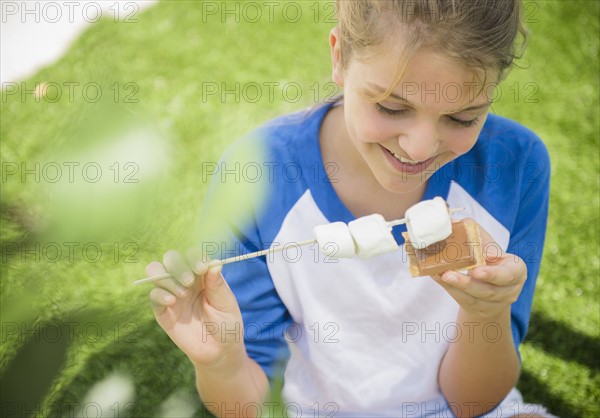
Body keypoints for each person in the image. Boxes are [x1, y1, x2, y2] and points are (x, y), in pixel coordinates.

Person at [146, 1, 557, 417]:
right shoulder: (259, 175)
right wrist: (222, 363)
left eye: (462, 118)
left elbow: (473, 403)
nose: (418, 148)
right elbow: (247, 405)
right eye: (391, 108)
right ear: (339, 57)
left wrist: (486, 312)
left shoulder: (516, 166)